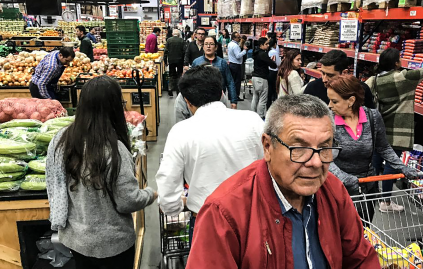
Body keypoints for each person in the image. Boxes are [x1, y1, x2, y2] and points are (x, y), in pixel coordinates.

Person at [186, 94, 381, 269]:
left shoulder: (333, 191)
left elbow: (360, 259)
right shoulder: (225, 212)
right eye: (299, 148)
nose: (315, 162)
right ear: (268, 146)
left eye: (324, 148)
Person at [46, 76, 157, 269]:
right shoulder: (113, 149)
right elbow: (127, 201)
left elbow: (54, 185)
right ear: (113, 107)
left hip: (76, 239)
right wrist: (151, 194)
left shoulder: (60, 140)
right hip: (113, 244)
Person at [156, 65, 264, 242]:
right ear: (222, 93)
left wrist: (174, 208)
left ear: (187, 101)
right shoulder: (253, 120)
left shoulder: (181, 131)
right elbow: (270, 165)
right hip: (252, 218)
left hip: (207, 221)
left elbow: (167, 186)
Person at [365, 42, 423, 212]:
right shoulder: (404, 77)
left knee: (374, 161)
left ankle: (370, 196)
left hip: (378, 128)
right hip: (397, 130)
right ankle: (385, 202)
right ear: (396, 63)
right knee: (392, 164)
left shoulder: (376, 80)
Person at [326, 75, 417, 224]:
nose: (329, 105)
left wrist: (402, 168)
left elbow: (383, 147)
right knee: (340, 231)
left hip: (367, 186)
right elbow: (324, 156)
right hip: (338, 187)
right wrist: (344, 178)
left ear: (351, 101)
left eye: (334, 101)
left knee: (363, 228)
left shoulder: (372, 117)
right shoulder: (328, 120)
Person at [304, 50, 375, 108]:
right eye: (323, 73)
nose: (324, 79)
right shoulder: (312, 89)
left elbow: (369, 118)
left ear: (344, 72)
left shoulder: (361, 90)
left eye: (330, 75)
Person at [191, 36, 237, 108]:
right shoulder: (196, 62)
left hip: (219, 100)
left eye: (211, 44)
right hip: (201, 101)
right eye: (206, 44)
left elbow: (230, 82)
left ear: (216, 47)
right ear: (203, 47)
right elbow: (191, 82)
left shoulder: (222, 63)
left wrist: (233, 101)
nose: (208, 46)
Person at [252, 37, 277, 119]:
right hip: (262, 78)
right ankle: (260, 116)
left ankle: (253, 114)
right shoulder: (263, 54)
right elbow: (272, 64)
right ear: (261, 45)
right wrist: (273, 62)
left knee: (255, 97)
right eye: (266, 44)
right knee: (263, 99)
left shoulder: (256, 52)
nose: (268, 45)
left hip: (255, 77)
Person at [227, 32, 248, 101]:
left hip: (232, 64)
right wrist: (244, 50)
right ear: (234, 38)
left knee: (232, 81)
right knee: (237, 82)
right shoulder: (235, 46)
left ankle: (231, 96)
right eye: (238, 37)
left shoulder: (230, 44)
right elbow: (238, 56)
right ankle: (235, 96)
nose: (239, 38)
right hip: (236, 65)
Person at [165, 29, 185, 97]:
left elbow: (166, 51)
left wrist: (165, 60)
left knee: (171, 74)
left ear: (173, 34)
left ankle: (170, 88)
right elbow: (184, 51)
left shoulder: (169, 40)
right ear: (179, 34)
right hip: (180, 60)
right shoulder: (182, 40)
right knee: (179, 74)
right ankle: (178, 90)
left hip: (171, 60)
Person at [266, 38, 281, 110]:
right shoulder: (274, 52)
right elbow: (278, 63)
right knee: (274, 90)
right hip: (274, 72)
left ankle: (268, 106)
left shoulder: (268, 51)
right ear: (275, 44)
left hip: (269, 71)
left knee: (269, 90)